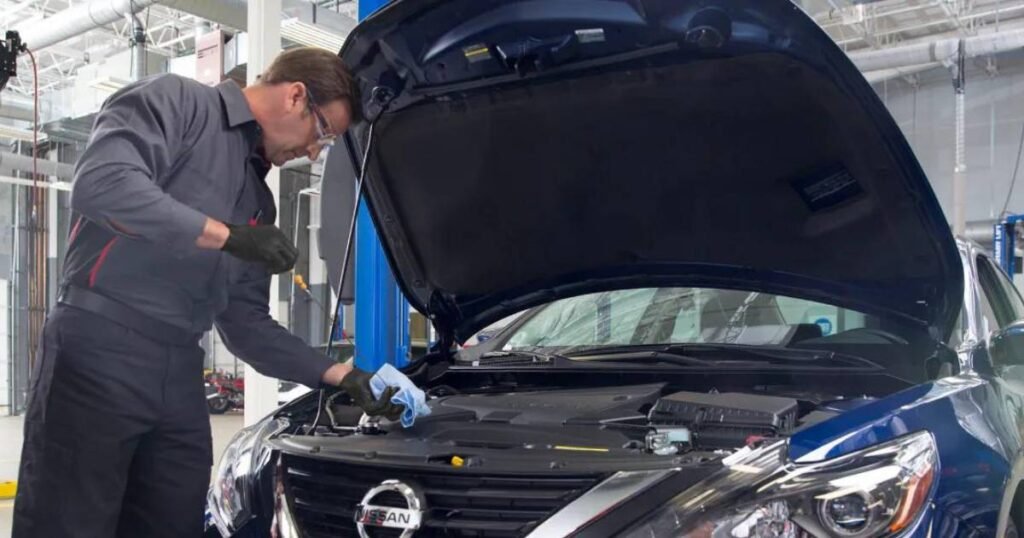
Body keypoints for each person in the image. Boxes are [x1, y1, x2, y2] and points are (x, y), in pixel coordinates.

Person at [12, 47, 414, 537]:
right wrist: (227, 235)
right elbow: (102, 186)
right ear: (295, 96)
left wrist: (341, 375)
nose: (313, 152)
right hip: (99, 348)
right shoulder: (178, 103)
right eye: (323, 133)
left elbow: (245, 324)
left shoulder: (257, 200)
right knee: (70, 523)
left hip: (180, 368)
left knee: (175, 521)